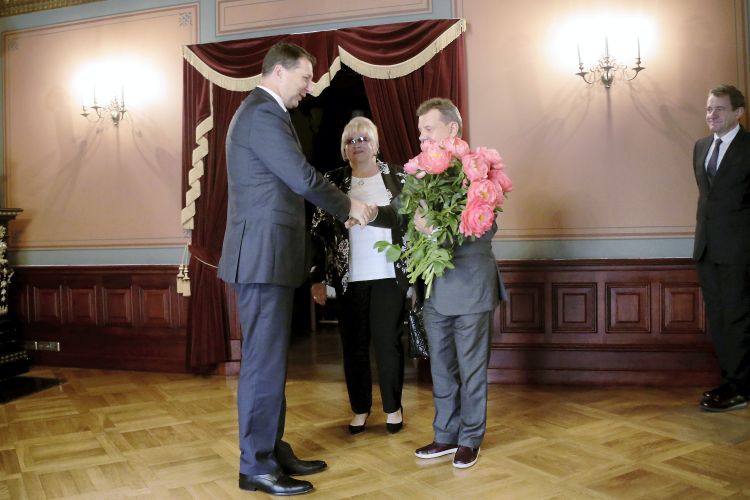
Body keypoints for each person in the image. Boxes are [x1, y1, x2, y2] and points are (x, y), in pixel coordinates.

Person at [217, 42, 375, 496]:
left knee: (270, 363)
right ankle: (256, 465)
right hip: (261, 258)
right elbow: (301, 177)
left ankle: (271, 448)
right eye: (305, 78)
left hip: (269, 257)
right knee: (262, 366)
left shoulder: (266, 114)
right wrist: (350, 207)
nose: (310, 87)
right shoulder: (261, 114)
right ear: (279, 72)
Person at [369, 97, 506, 468]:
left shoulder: (478, 174)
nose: (422, 137)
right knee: (442, 369)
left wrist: (434, 231)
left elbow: (484, 228)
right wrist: (367, 213)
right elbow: (398, 214)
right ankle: (445, 436)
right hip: (434, 292)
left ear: (452, 129)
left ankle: (470, 439)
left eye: (428, 129)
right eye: (420, 132)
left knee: (471, 369)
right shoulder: (421, 177)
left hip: (472, 288)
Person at [310, 116, 409, 436]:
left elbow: (410, 222)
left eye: (364, 139)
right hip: (348, 278)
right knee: (353, 345)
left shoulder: (398, 177)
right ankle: (360, 409)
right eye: (351, 141)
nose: (358, 145)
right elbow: (319, 233)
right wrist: (318, 277)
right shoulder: (332, 181)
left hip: (389, 274)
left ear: (376, 145)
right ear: (344, 149)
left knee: (387, 342)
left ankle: (393, 408)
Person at [693, 84, 750, 412]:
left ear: (738, 112)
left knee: (738, 319)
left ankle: (740, 387)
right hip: (707, 249)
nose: (711, 114)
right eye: (708, 108)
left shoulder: (748, 147)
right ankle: (730, 382)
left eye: (719, 109)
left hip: (741, 251)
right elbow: (708, 200)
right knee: (719, 320)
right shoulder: (701, 147)